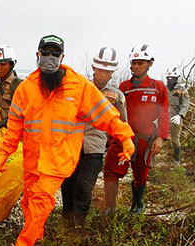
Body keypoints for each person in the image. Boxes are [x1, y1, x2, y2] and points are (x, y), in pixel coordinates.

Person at [0, 35, 135, 246]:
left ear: (62, 57)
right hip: (33, 156)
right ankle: (36, 234)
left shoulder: (78, 86)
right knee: (28, 199)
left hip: (60, 156)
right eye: (45, 53)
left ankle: (25, 243)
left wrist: (126, 138)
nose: (50, 58)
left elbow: (106, 115)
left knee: (41, 197)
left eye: (54, 54)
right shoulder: (25, 89)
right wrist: (3, 154)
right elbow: (14, 128)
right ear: (37, 55)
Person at [61, 47, 128, 226]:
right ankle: (66, 219)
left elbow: (122, 123)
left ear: (113, 71)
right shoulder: (80, 87)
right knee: (68, 183)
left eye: (108, 70)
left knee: (84, 186)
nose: (103, 74)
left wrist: (123, 146)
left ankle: (78, 224)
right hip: (72, 145)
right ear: (93, 67)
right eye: (100, 69)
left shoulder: (116, 96)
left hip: (95, 147)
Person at [103, 44, 169, 215]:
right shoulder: (123, 87)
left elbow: (163, 113)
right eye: (134, 63)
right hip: (122, 137)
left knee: (141, 173)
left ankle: (137, 205)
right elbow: (113, 113)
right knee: (111, 170)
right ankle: (110, 208)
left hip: (145, 137)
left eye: (141, 63)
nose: (136, 66)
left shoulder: (158, 87)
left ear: (150, 64)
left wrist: (160, 138)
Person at [165, 66, 190, 165]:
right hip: (163, 117)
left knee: (175, 140)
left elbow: (186, 104)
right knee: (155, 137)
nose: (170, 80)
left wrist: (180, 115)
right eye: (168, 78)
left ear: (177, 78)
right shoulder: (163, 88)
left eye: (172, 78)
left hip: (175, 118)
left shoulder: (181, 90)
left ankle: (176, 160)